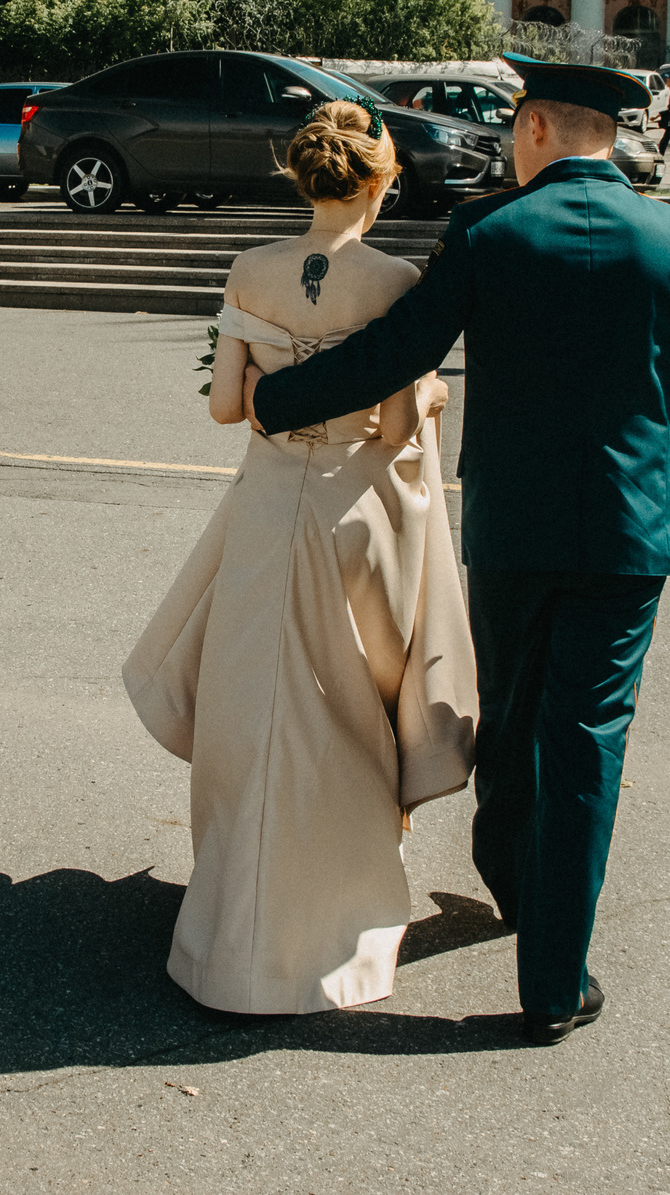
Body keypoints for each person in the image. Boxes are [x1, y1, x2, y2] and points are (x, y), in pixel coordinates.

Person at [246, 58, 670, 1046]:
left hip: (513, 532)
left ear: (533, 133)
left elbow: (399, 349)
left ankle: (516, 875)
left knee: (512, 714)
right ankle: (553, 979)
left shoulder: (489, 232)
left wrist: (277, 398)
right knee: (587, 741)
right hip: (630, 533)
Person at [123, 101, 479, 1016]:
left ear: (301, 176)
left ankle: (231, 926)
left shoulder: (252, 267)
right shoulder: (397, 279)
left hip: (268, 505)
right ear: (380, 179)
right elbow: (397, 423)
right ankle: (329, 917)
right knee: (350, 711)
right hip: (355, 512)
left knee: (252, 708)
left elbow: (227, 410)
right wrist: (432, 395)